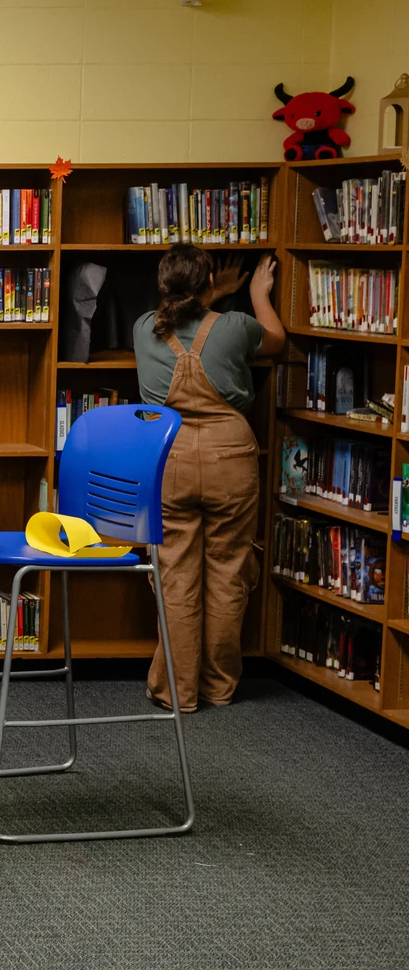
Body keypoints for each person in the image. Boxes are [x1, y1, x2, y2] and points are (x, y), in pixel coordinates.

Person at [134, 246, 283, 711]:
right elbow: (277, 339)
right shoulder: (236, 327)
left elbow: (183, 313)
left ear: (162, 285)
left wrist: (212, 290)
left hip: (169, 457)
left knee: (176, 575)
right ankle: (219, 686)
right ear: (210, 284)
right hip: (231, 460)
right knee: (228, 572)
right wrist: (257, 293)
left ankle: (176, 691)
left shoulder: (144, 329)